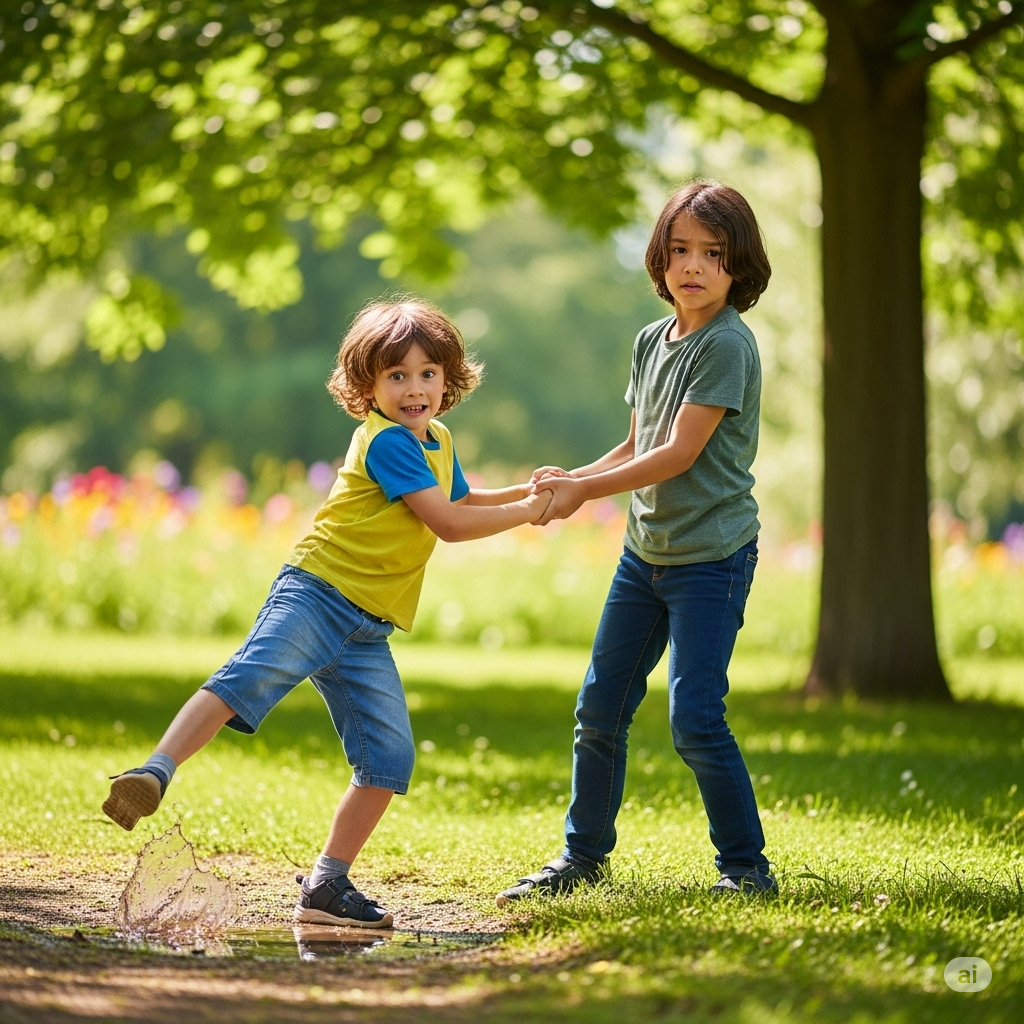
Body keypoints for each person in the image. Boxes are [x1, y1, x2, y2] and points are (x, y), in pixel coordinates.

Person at [102, 298, 552, 929]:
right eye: (396, 376)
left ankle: (326, 888)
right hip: (319, 592)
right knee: (247, 678)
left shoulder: (437, 440)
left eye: (427, 373)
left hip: (368, 626)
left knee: (389, 761)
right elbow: (449, 524)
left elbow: (462, 495)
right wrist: (532, 514)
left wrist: (527, 493)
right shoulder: (388, 442)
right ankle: (155, 770)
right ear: (366, 386)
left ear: (449, 378)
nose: (414, 388)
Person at [496, 181, 775, 905]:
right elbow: (637, 440)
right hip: (644, 556)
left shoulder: (726, 344)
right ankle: (581, 859)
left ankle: (747, 869)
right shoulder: (653, 341)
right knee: (600, 708)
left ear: (738, 267)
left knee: (695, 717)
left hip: (710, 560)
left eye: (713, 254)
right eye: (680, 250)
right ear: (659, 258)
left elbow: (679, 452)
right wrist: (572, 475)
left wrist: (586, 493)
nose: (693, 267)